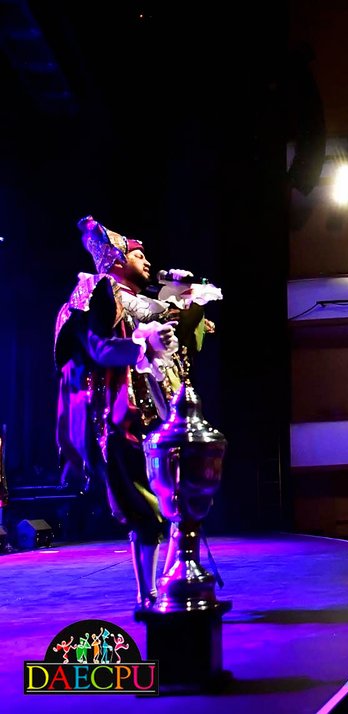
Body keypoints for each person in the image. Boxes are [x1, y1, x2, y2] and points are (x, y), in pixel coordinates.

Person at [55, 216, 179, 610]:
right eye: (140, 255)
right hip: (118, 418)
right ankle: (151, 594)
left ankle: (165, 586)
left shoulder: (132, 303)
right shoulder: (102, 289)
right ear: (119, 260)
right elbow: (99, 347)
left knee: (173, 503)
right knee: (146, 508)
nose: (148, 261)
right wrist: (146, 347)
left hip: (147, 417)